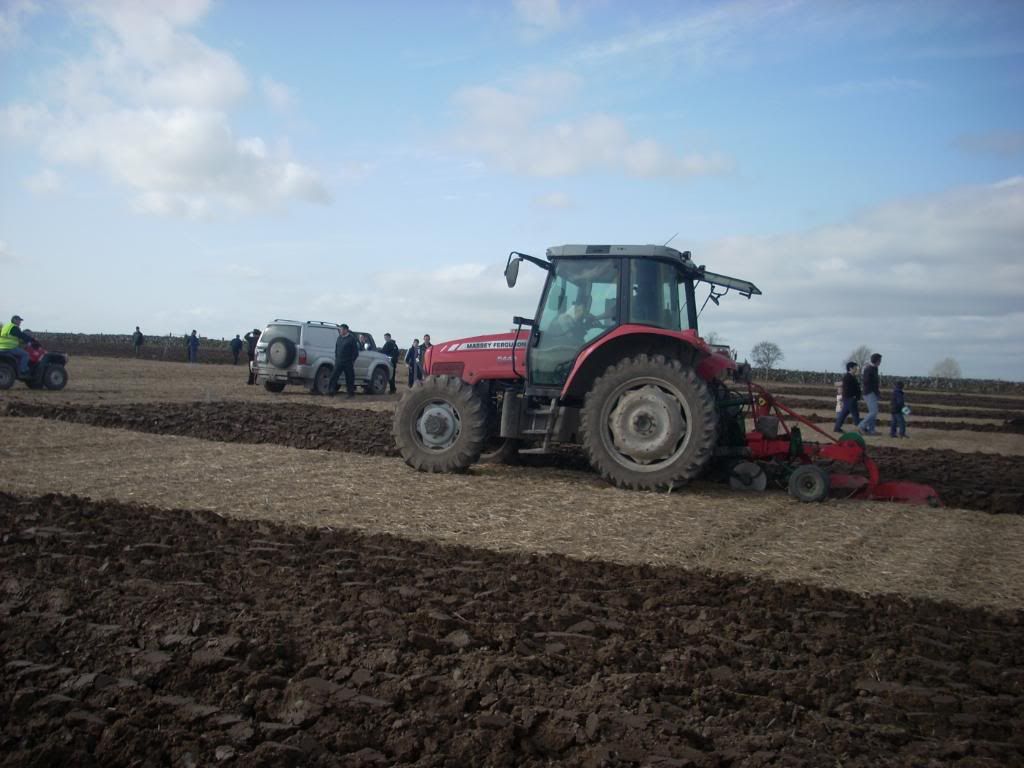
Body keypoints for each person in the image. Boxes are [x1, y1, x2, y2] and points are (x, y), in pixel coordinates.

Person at [327, 323, 359, 397]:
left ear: (345, 330)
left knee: (349, 378)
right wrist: (337, 358)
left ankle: (350, 393)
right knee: (334, 376)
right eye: (340, 330)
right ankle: (331, 391)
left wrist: (352, 360)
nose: (340, 331)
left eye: (341, 329)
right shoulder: (339, 338)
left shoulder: (351, 339)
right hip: (339, 361)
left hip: (348, 362)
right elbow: (337, 349)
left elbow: (355, 352)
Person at [833, 361, 862, 433]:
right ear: (850, 368)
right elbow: (849, 389)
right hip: (850, 399)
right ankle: (862, 429)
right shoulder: (848, 378)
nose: (857, 369)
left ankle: (837, 428)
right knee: (855, 415)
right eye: (855, 368)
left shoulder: (851, 377)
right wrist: (855, 397)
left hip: (848, 399)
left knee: (843, 414)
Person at [860, 352, 883, 435]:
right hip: (869, 392)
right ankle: (862, 426)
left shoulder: (875, 369)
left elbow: (875, 384)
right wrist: (873, 385)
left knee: (873, 412)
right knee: (874, 412)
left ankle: (871, 430)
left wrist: (878, 393)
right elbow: (865, 381)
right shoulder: (868, 369)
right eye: (880, 360)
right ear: (876, 361)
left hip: (873, 393)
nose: (880, 362)